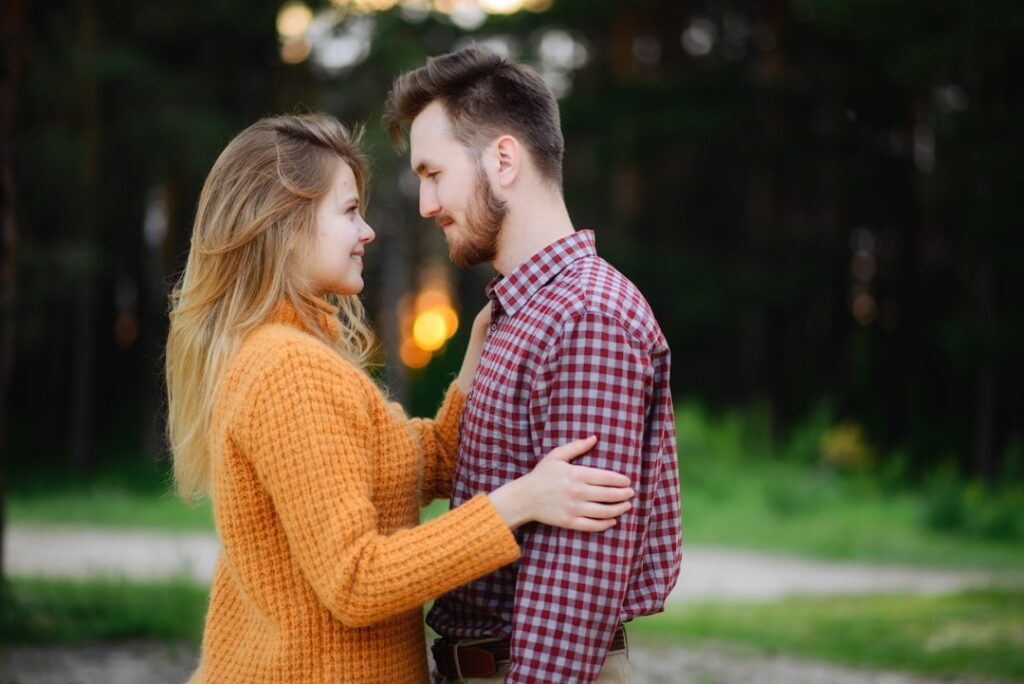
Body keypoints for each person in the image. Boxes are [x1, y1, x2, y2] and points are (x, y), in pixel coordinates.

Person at [164, 113, 637, 683]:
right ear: (284, 224)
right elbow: (357, 580)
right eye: (347, 213)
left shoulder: (295, 355)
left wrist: (478, 352)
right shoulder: (289, 369)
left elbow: (424, 460)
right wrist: (520, 503)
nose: (366, 232)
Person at [385, 46, 683, 683]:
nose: (424, 203)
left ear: (502, 158)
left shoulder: (586, 315)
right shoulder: (518, 314)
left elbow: (579, 574)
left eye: (433, 174)